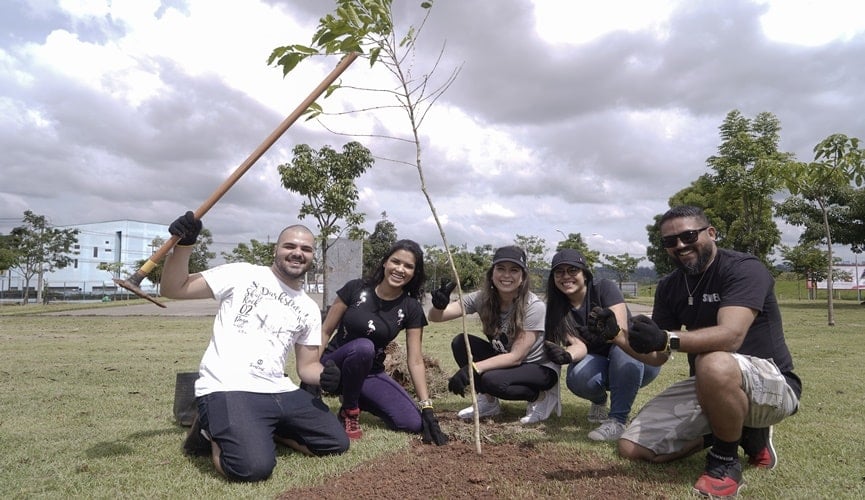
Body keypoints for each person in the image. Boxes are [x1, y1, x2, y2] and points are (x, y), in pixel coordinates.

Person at [618, 206, 802, 498]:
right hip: (709, 387)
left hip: (772, 386)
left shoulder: (743, 268)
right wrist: (616, 336)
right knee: (633, 448)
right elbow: (658, 355)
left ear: (711, 233)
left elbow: (731, 336)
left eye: (688, 235)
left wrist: (665, 338)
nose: (680, 245)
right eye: (670, 241)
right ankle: (741, 432)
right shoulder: (669, 286)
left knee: (713, 361)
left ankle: (725, 461)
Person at [161, 211, 349, 482]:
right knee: (251, 469)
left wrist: (326, 376)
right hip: (228, 387)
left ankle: (263, 429)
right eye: (290, 246)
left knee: (335, 444)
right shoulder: (241, 274)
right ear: (276, 250)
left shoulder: (308, 306)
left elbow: (307, 366)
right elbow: (174, 288)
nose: (298, 252)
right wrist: (184, 246)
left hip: (279, 389)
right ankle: (209, 430)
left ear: (312, 256)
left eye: (306, 249)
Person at [320, 239, 448, 445]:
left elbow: (415, 360)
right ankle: (349, 412)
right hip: (335, 364)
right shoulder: (355, 288)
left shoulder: (411, 307)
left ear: (415, 273)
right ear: (385, 263)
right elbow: (325, 331)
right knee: (363, 347)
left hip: (370, 372)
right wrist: (310, 373)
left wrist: (427, 407)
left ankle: (355, 395)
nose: (400, 269)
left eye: (408, 266)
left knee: (412, 422)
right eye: (395, 262)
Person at [428, 245, 560, 424]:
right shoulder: (481, 298)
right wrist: (439, 305)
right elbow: (436, 318)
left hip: (538, 367)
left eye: (514, 270)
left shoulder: (534, 306)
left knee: (492, 381)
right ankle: (488, 402)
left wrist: (472, 369)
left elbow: (516, 357)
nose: (506, 275)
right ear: (492, 273)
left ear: (522, 277)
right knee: (460, 342)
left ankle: (540, 397)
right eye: (501, 269)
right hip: (506, 358)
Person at [543, 249, 664, 441]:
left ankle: (617, 420)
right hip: (600, 364)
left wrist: (609, 330)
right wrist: (567, 355)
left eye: (572, 270)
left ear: (584, 273)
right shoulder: (557, 308)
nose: (566, 276)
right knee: (576, 376)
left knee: (621, 349)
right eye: (559, 272)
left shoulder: (603, 288)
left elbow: (623, 332)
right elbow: (578, 346)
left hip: (638, 359)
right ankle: (599, 402)